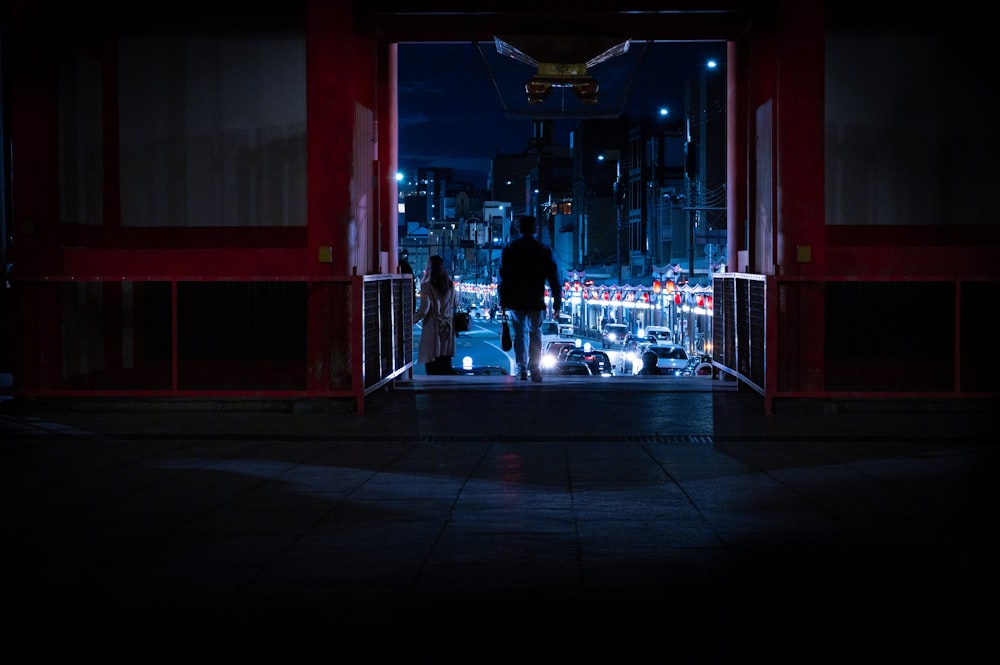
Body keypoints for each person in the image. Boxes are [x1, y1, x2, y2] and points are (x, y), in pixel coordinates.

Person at [497, 214, 562, 382]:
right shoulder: (543, 249)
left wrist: (502, 301)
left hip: (515, 299)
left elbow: (503, 278)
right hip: (536, 299)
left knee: (520, 334)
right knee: (536, 333)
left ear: (519, 229)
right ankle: (535, 369)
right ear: (536, 229)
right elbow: (554, 279)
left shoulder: (510, 249)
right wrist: (557, 303)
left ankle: (522, 369)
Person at [413, 255, 458, 375]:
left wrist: (411, 320)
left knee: (432, 364)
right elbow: (455, 304)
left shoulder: (427, 286)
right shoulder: (450, 285)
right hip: (447, 328)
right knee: (445, 363)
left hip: (433, 327)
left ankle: (434, 392)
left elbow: (424, 309)